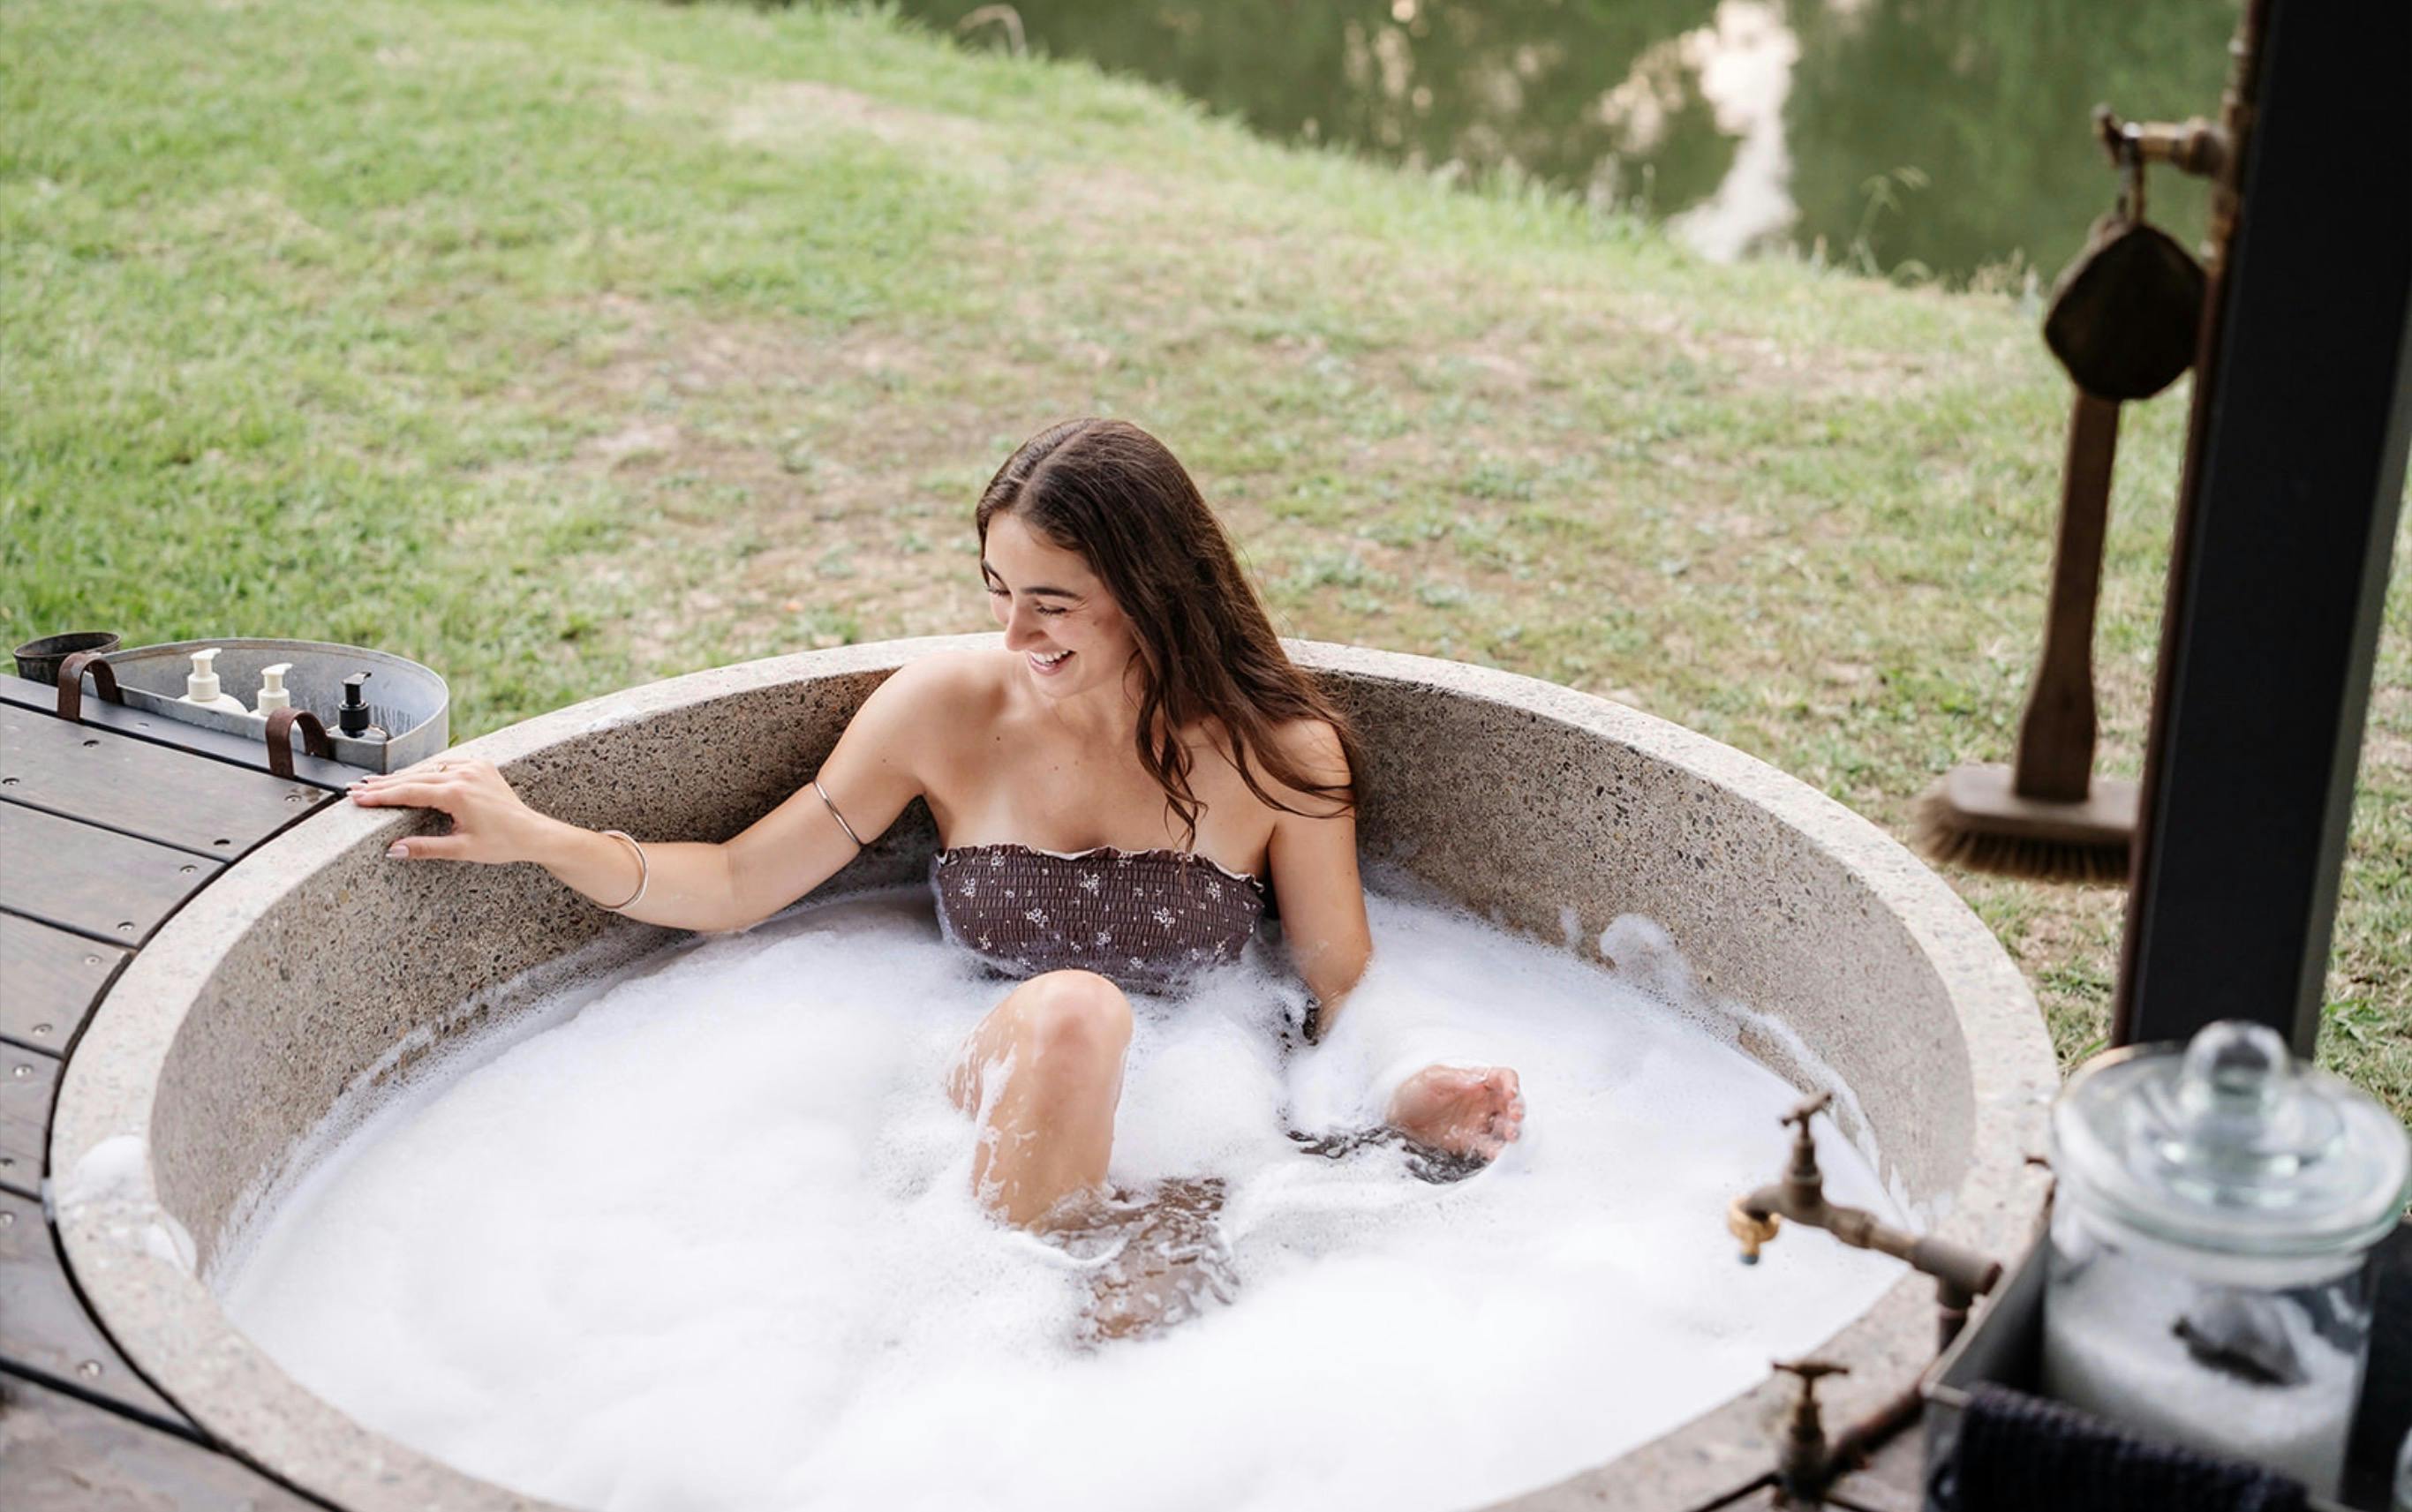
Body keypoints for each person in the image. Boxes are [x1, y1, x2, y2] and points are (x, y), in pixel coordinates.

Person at [349, 418, 1525, 1232]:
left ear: (1152, 597)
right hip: (958, 1091)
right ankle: (988, 1310)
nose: (1014, 632)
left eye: (1051, 603)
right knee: (1075, 1011)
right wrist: (540, 835)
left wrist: (1410, 1089)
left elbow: (1341, 988)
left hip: (1194, 1133)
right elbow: (737, 882)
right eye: (996, 591)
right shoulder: (943, 708)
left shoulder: (1277, 756)